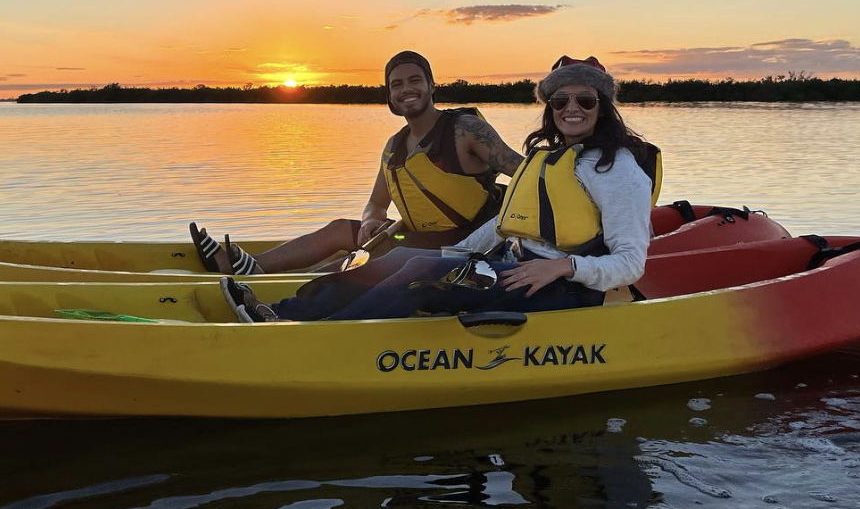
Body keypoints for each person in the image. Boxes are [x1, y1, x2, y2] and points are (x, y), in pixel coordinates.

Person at [222, 55, 662, 322]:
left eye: (586, 101)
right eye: (560, 101)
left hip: (558, 289)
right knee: (402, 258)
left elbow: (630, 264)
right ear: (550, 108)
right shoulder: (547, 159)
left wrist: (564, 268)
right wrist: (451, 253)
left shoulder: (617, 169)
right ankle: (282, 314)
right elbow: (505, 227)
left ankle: (333, 333)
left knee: (420, 274)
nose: (572, 109)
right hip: (511, 267)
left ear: (603, 108)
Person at [191, 50, 526, 274]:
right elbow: (375, 204)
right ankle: (248, 267)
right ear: (389, 95)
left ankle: (275, 287)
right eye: (396, 84)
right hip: (412, 237)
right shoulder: (395, 147)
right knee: (341, 230)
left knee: (365, 259)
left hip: (462, 244)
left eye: (414, 81)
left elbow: (526, 173)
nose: (406, 90)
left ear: (431, 86)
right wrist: (371, 220)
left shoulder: (465, 130)